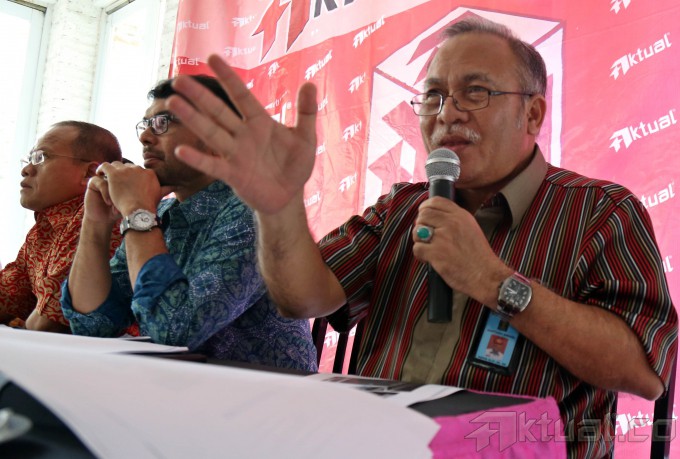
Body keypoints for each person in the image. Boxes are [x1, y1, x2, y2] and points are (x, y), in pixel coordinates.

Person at [164, 18, 678, 458]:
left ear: (533, 114)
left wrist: (492, 280)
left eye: (475, 92)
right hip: (378, 444)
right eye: (433, 95)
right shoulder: (402, 207)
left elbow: (644, 373)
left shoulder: (601, 211)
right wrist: (278, 209)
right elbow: (300, 298)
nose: (447, 113)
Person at [61, 76, 317, 372]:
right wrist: (96, 222)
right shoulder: (163, 213)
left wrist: (137, 211)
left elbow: (175, 332)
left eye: (162, 123)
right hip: (186, 388)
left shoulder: (256, 213)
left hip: (264, 394)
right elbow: (93, 325)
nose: (145, 138)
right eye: (146, 125)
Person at [0, 121, 123, 332]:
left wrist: (26, 323)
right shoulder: (43, 229)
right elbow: (9, 298)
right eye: (29, 159)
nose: (26, 169)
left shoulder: (103, 214)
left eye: (41, 157)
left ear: (89, 173)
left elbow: (49, 321)